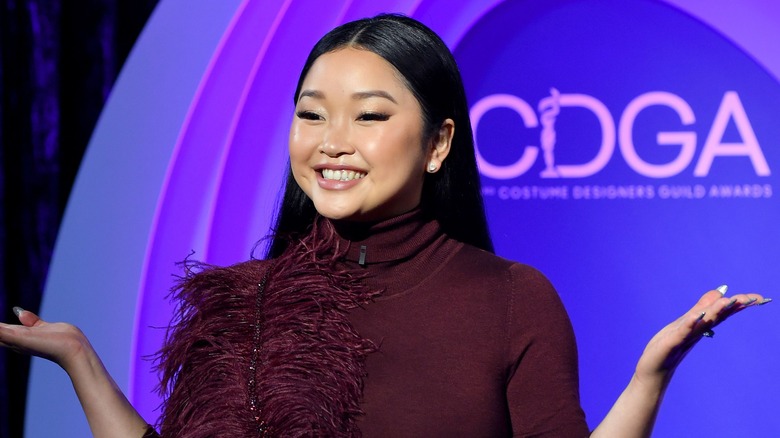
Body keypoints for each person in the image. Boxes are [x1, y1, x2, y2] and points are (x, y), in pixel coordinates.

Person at [0, 13, 770, 437]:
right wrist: (79, 362)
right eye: (310, 115)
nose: (331, 141)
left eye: (369, 116)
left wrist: (650, 378)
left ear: (438, 143)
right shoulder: (242, 303)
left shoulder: (511, 298)